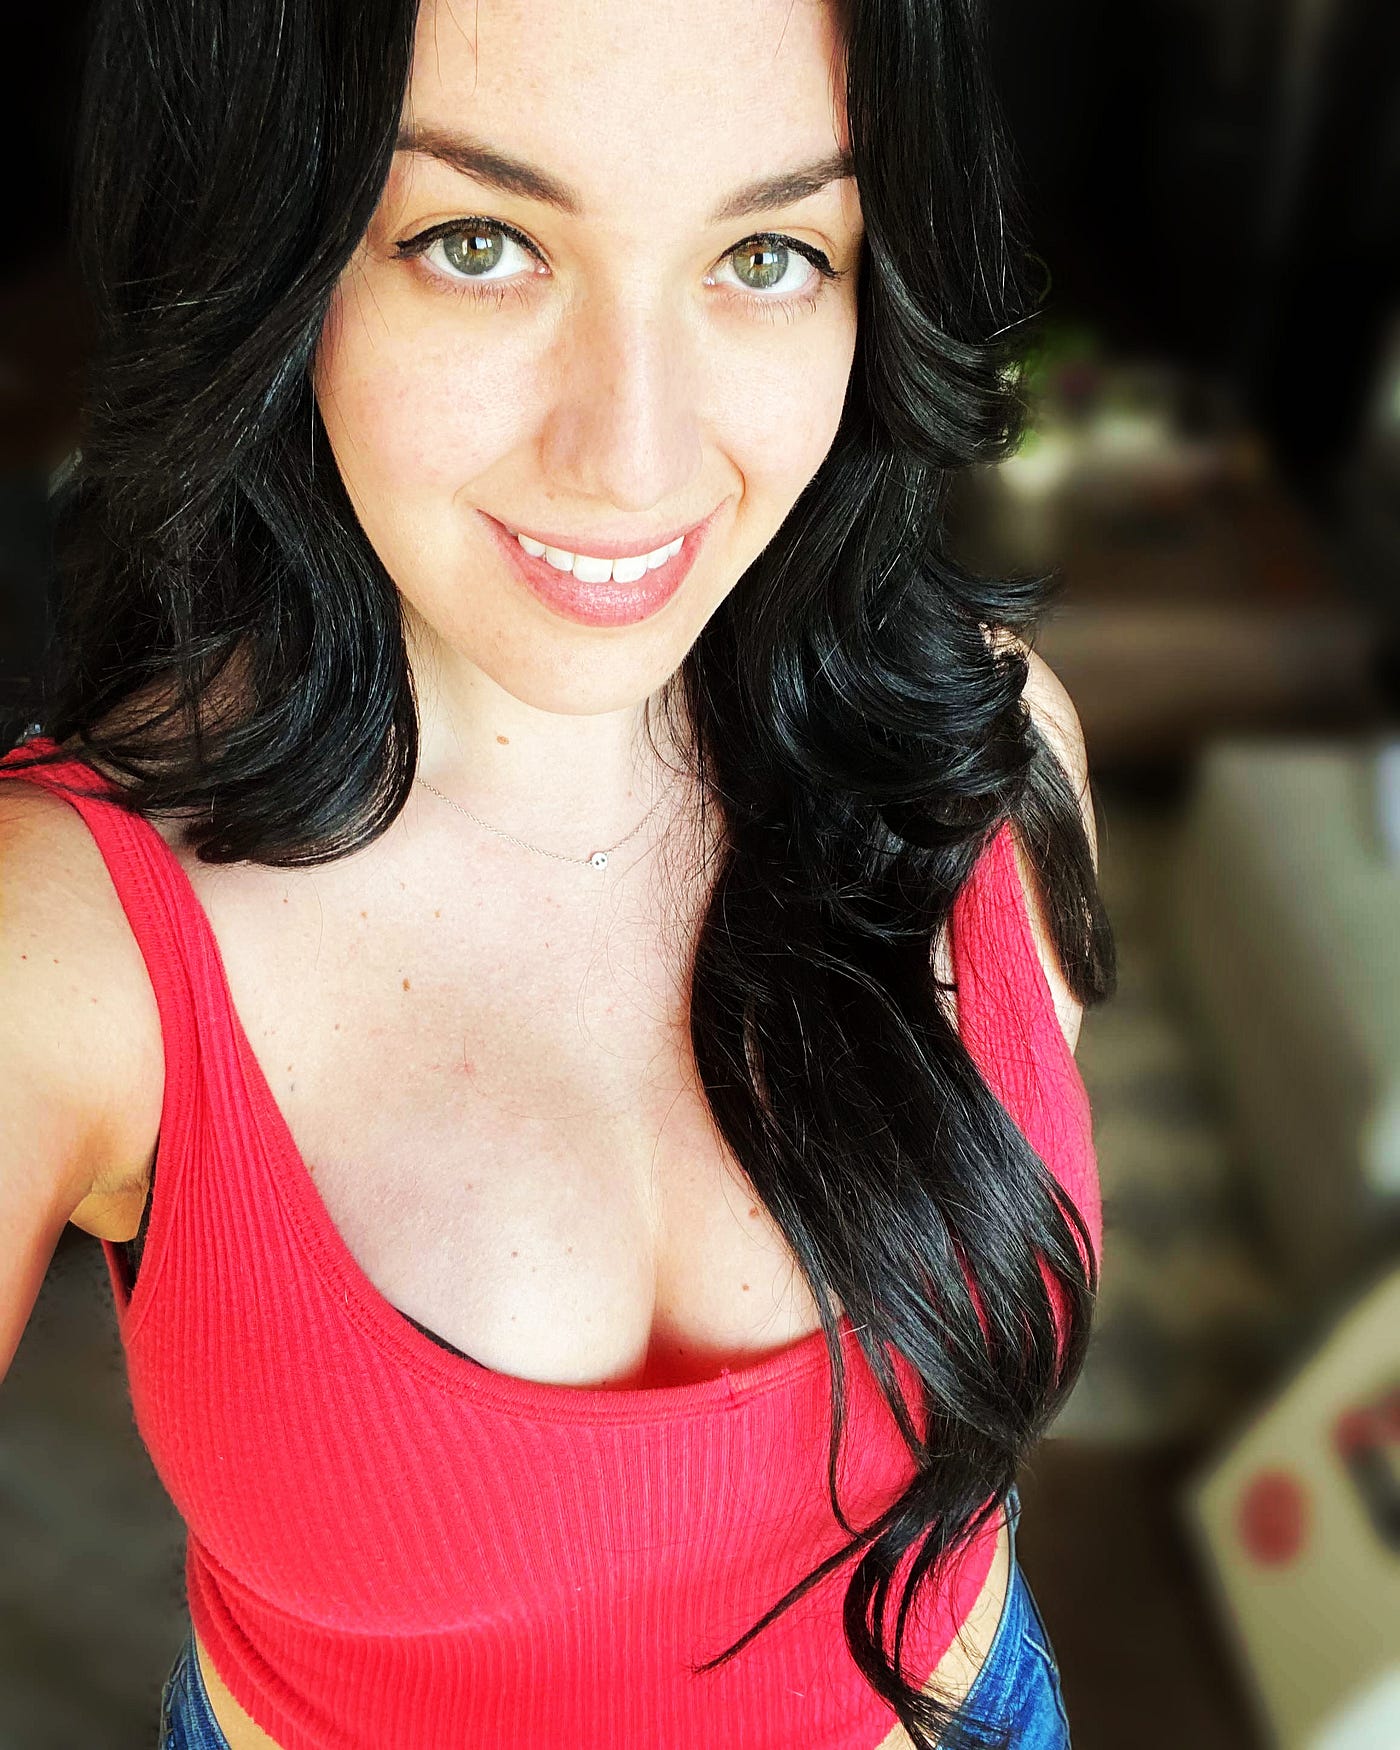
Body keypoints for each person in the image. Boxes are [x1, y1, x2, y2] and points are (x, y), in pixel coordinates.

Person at [0, 0, 1116, 1745]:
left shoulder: (988, 754)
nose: (635, 457)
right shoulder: (66, 932)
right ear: (275, 244)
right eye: (480, 242)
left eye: (765, 254)